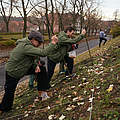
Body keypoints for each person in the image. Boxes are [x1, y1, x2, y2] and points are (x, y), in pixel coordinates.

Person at [0, 30, 58, 114]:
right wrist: (53, 42)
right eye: (39, 42)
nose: (39, 45)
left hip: (23, 67)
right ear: (33, 39)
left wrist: (36, 66)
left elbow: (32, 57)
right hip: (13, 71)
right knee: (9, 91)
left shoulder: (29, 45)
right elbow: (43, 53)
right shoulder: (26, 47)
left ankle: (43, 93)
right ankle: (4, 108)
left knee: (42, 69)